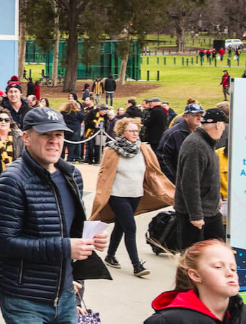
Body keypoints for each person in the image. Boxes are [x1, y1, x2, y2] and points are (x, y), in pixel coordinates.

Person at [0, 106, 108, 323]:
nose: (54, 141)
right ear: (27, 138)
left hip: (65, 293)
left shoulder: (72, 175)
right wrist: (66, 247)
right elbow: (5, 243)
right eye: (46, 134)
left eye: (59, 135)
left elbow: (70, 228)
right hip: (25, 299)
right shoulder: (11, 181)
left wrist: (90, 240)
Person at [89, 117, 173, 278]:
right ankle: (136, 265)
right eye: (131, 131)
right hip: (117, 195)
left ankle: (110, 256)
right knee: (130, 227)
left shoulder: (143, 149)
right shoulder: (112, 150)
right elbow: (104, 174)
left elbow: (153, 170)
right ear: (122, 132)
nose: (135, 133)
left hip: (136, 194)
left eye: (137, 130)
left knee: (121, 226)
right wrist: (101, 194)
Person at [146, 239, 246, 323]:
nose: (230, 273)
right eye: (218, 267)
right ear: (195, 275)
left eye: (233, 268)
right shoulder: (167, 321)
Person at [175, 108, 228, 249]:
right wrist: (196, 216)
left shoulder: (206, 143)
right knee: (194, 255)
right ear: (218, 125)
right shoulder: (196, 146)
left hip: (209, 210)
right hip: (197, 214)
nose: (224, 130)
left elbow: (208, 176)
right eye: (224, 125)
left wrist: (216, 197)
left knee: (218, 249)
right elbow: (190, 184)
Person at [158, 103, 205, 183]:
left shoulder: (202, 133)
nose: (199, 118)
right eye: (196, 115)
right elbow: (163, 158)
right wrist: (176, 180)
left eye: (201, 115)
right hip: (178, 182)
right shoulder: (173, 134)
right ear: (186, 117)